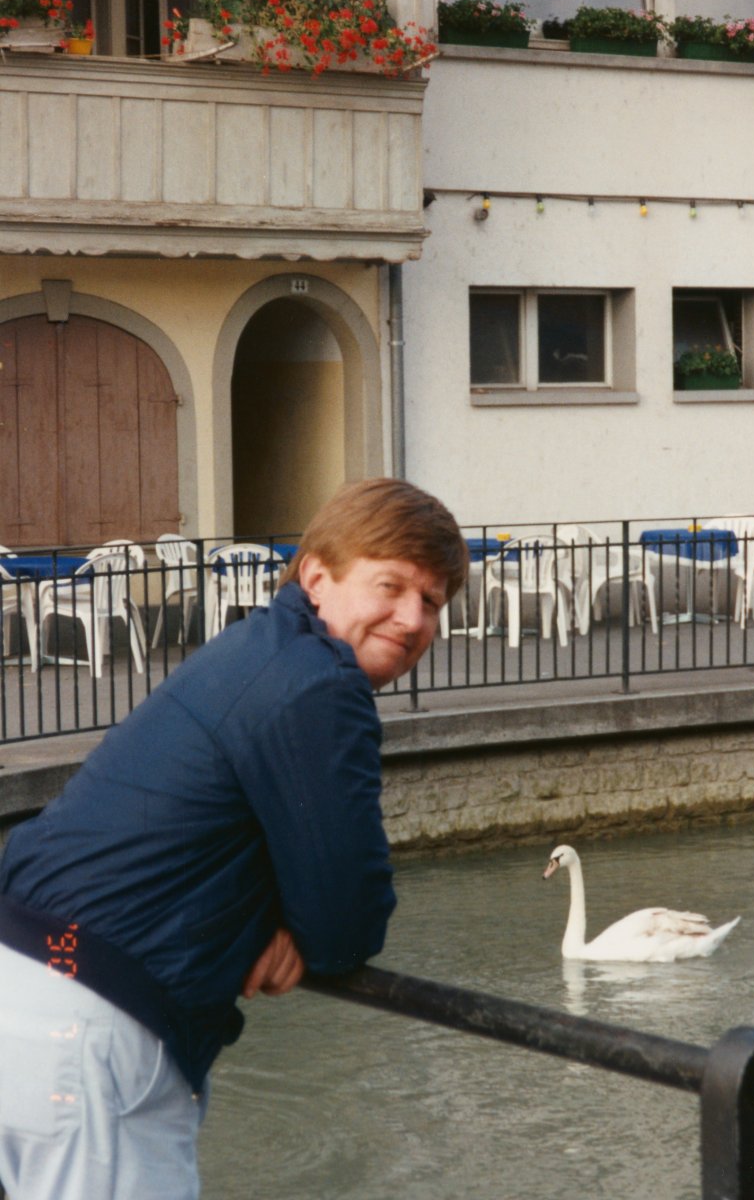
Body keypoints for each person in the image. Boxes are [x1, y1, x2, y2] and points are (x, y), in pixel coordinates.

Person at [0, 477, 468, 1200]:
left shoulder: (255, 648)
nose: (411, 618)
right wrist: (304, 929)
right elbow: (348, 916)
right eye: (392, 586)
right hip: (92, 1024)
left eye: (431, 602)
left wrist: (273, 916)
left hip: (27, 974)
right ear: (317, 575)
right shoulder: (320, 683)